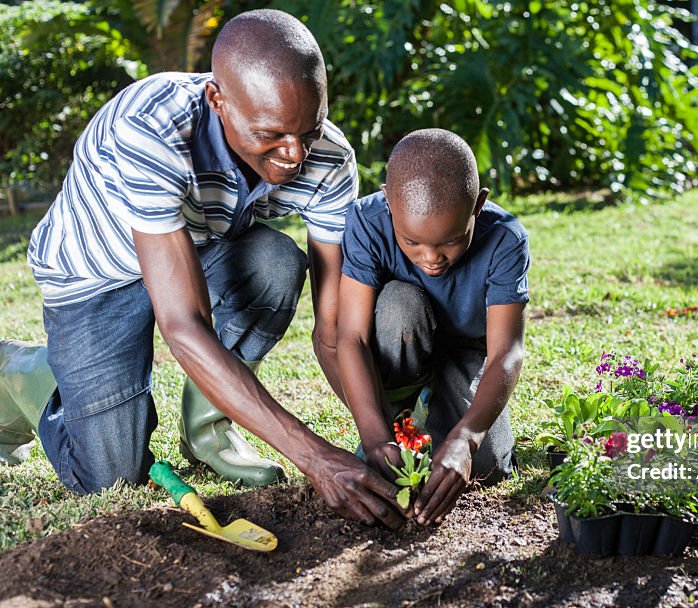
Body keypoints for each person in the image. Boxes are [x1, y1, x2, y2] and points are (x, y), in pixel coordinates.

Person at [0, 9, 405, 528]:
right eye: (271, 134)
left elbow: (334, 329)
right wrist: (315, 458)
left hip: (196, 251)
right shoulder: (150, 132)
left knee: (275, 262)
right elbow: (184, 327)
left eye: (309, 128)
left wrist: (375, 438)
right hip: (96, 279)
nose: (294, 154)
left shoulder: (326, 157)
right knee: (108, 475)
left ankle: (209, 428)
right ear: (218, 101)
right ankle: (27, 372)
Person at [336, 128, 529, 526]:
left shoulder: (505, 240)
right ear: (389, 202)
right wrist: (374, 438)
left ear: (478, 205)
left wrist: (467, 438)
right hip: (399, 345)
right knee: (398, 306)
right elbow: (351, 337)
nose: (432, 258)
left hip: (466, 353)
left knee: (486, 468)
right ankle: (400, 415)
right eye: (412, 243)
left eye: (451, 242)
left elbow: (506, 352)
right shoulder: (367, 223)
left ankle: (437, 419)